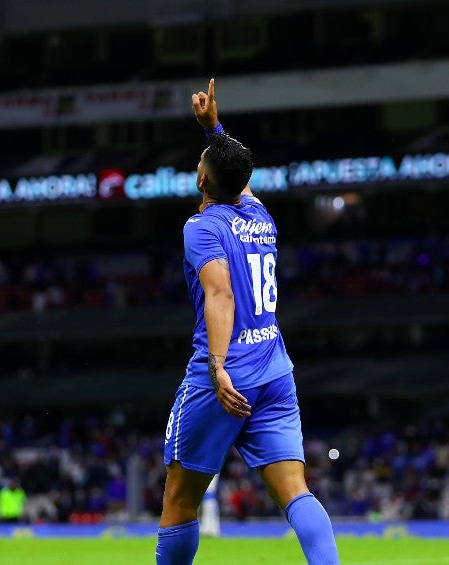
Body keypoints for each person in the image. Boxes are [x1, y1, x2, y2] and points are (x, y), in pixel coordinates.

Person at [155, 78, 339, 565]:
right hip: (274, 370)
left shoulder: (201, 228)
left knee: (180, 498)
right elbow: (236, 176)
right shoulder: (260, 215)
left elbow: (220, 295)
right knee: (296, 492)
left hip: (227, 376)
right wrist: (214, 128)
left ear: (201, 182)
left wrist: (217, 367)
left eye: (200, 163)